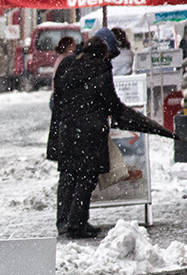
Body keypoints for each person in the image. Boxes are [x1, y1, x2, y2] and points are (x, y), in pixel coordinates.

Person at [47, 27, 129, 239]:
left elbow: (58, 100)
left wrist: (60, 128)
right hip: (90, 132)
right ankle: (77, 223)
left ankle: (65, 222)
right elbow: (111, 103)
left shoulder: (67, 64)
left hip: (67, 130)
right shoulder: (100, 69)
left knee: (68, 176)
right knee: (86, 177)